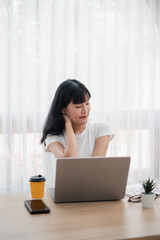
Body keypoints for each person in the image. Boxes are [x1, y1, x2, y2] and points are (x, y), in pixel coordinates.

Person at [41, 79, 114, 157]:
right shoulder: (53, 137)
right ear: (63, 109)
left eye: (87, 103)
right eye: (78, 107)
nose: (85, 110)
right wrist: (68, 124)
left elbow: (95, 166)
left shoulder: (101, 129)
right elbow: (70, 160)